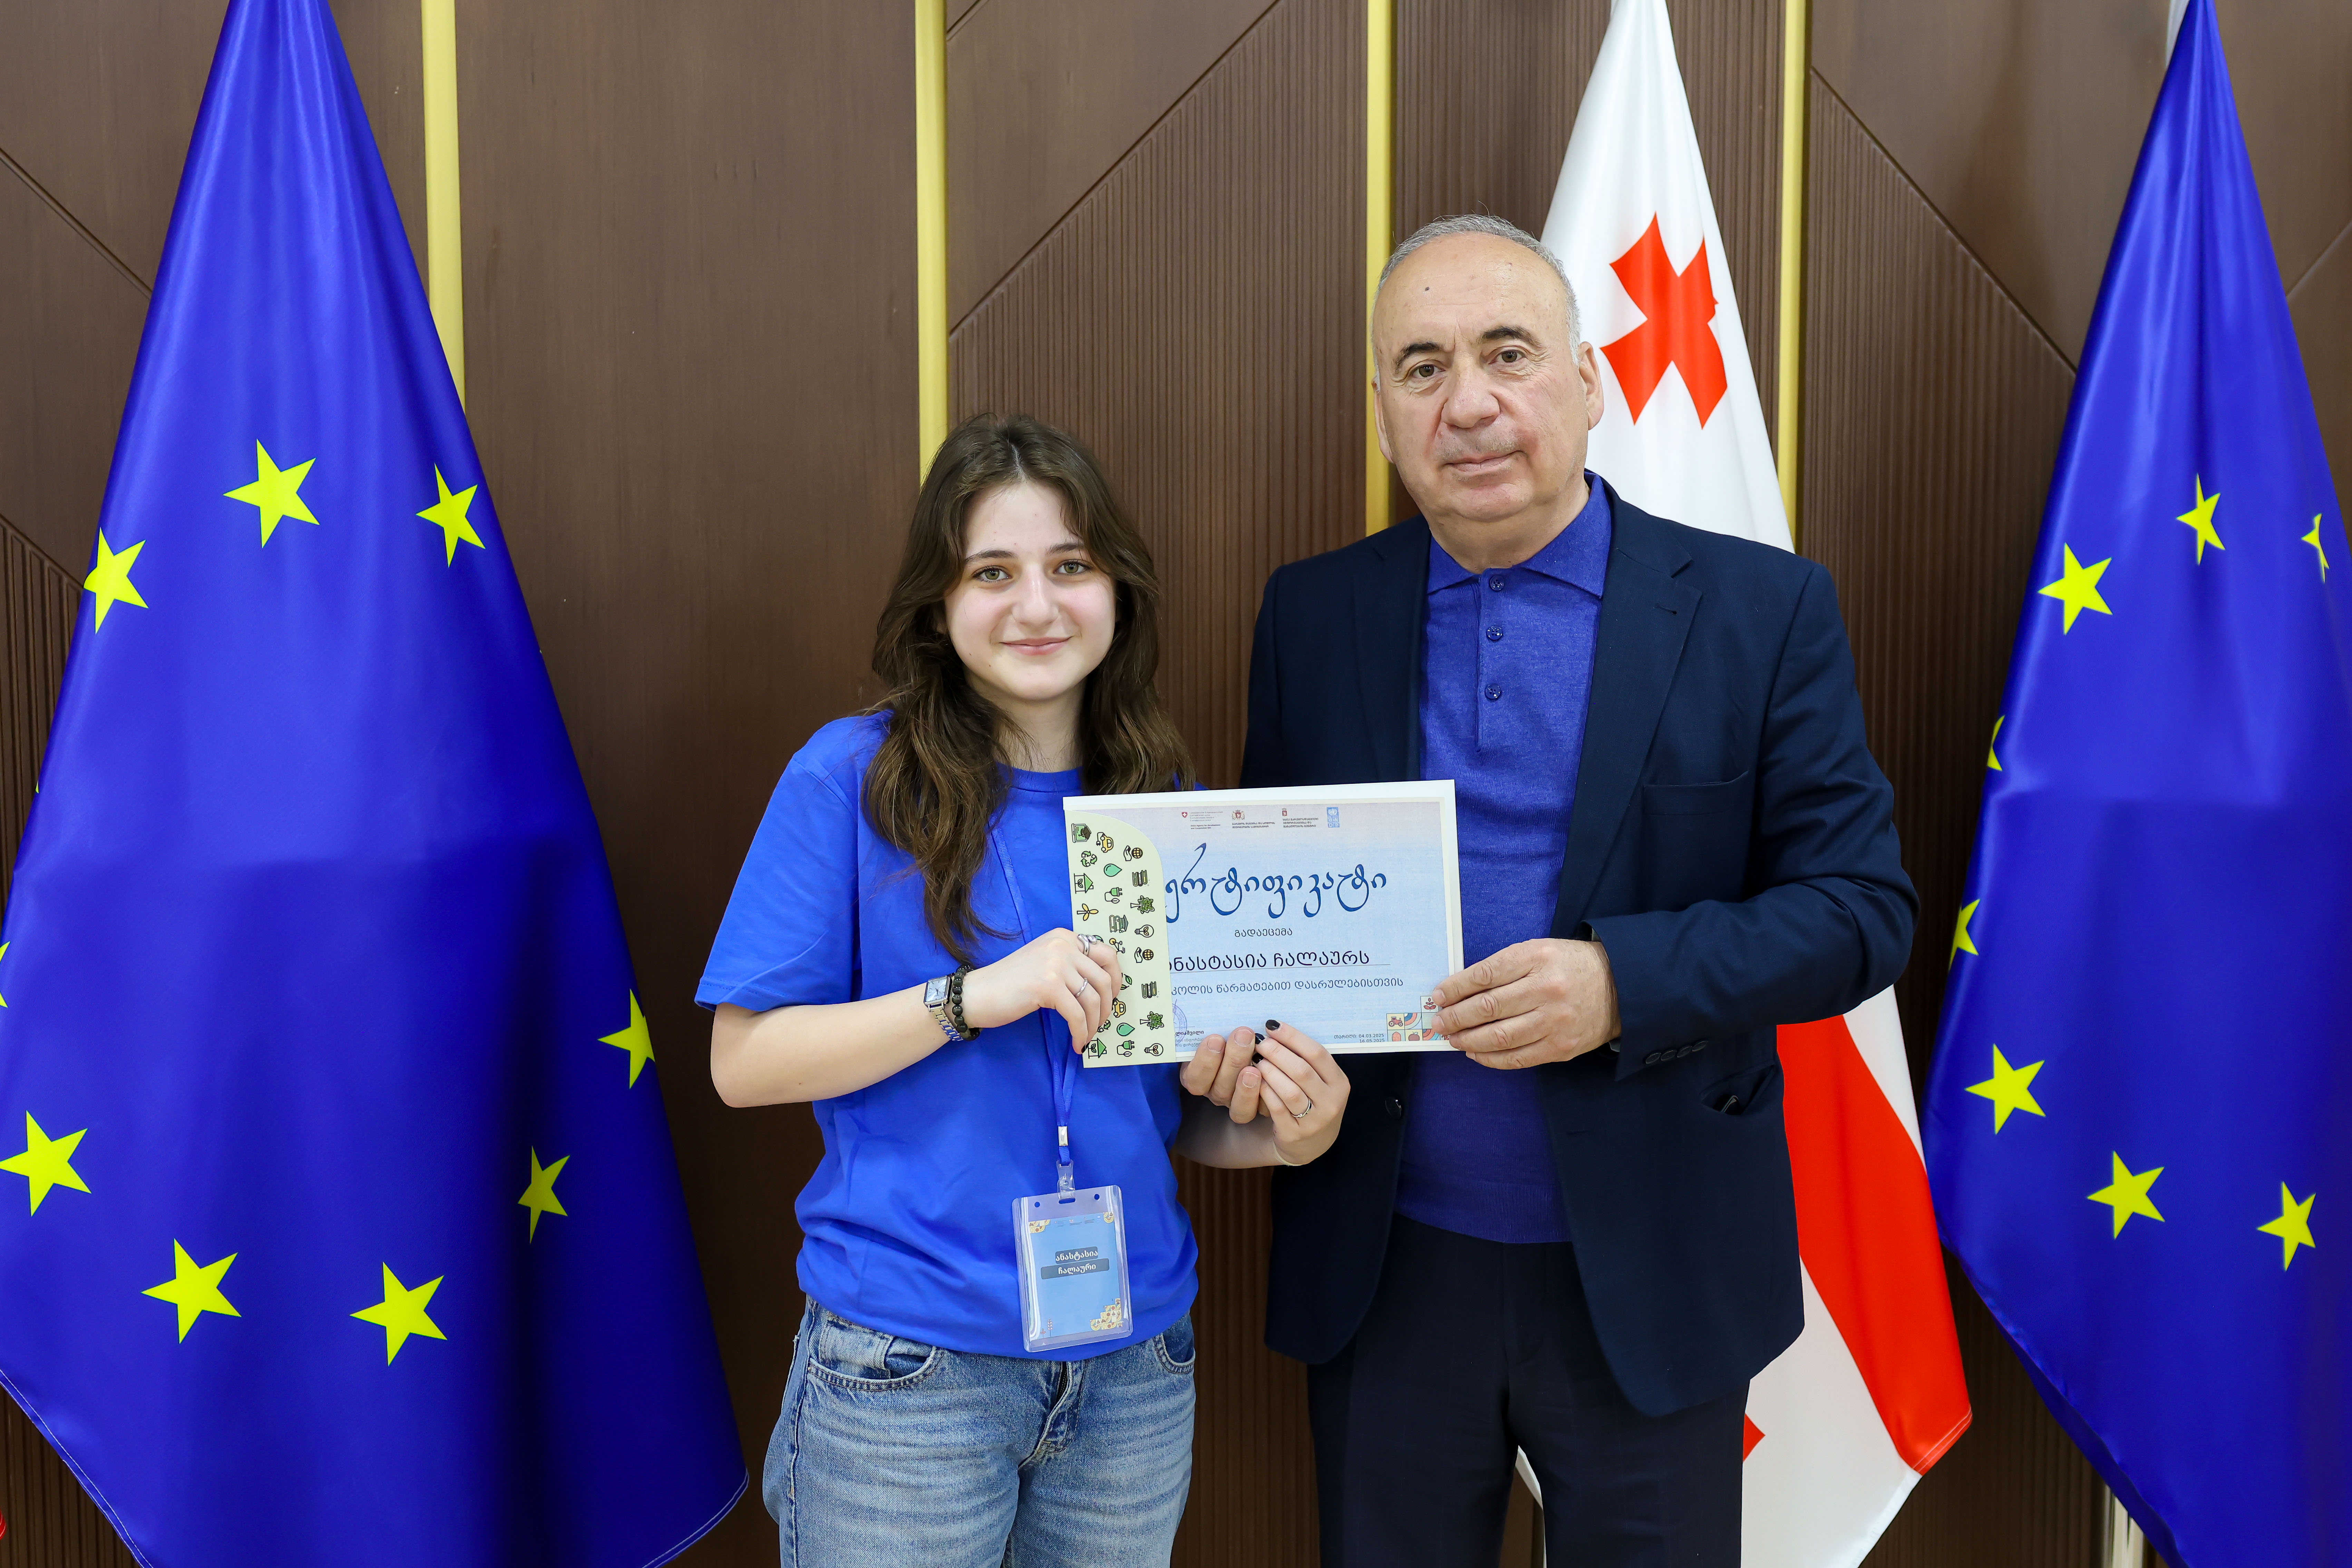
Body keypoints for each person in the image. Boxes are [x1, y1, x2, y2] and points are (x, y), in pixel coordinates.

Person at [1195, 214, 1916, 1565]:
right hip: (1387, 1266)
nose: (1467, 402)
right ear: (1382, 409)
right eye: (1422, 367)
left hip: (1651, 1269)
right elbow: (1273, 913)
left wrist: (1623, 982)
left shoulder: (1760, 610)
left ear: (1588, 382)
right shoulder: (1311, 615)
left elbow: (1861, 912)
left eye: (1507, 353)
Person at [698, 412, 1353, 1568]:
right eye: (992, 573)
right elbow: (744, 1065)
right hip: (909, 1372)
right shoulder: (850, 778)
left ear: (1118, 593)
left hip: (1134, 1370)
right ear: (938, 606)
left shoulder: (1166, 803)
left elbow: (1169, 1114)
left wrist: (1287, 1135)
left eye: (1071, 567)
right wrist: (973, 999)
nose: (1038, 607)